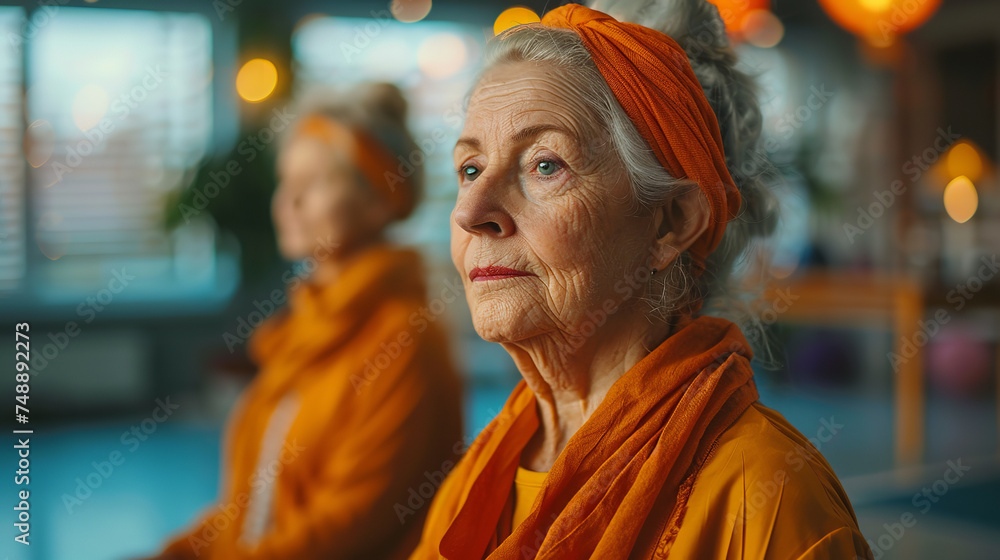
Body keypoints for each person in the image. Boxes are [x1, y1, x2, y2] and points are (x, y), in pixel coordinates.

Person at [410, 1, 873, 559]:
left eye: (545, 164)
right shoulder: (482, 473)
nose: (471, 211)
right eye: (470, 169)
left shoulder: (768, 499)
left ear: (671, 222)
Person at [148, 82, 464, 559]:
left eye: (314, 182)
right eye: (285, 180)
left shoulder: (406, 339)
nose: (288, 201)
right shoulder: (302, 330)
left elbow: (348, 525)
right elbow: (256, 506)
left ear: (381, 200)